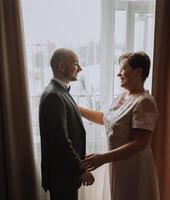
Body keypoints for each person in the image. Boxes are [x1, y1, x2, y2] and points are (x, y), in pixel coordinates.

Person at [80, 51, 160, 200]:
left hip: (134, 166)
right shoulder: (123, 96)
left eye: (123, 69)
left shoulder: (144, 102)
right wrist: (76, 108)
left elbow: (139, 143)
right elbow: (105, 118)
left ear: (138, 72)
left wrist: (102, 158)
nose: (118, 74)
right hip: (118, 164)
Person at [39, 48, 95, 200]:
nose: (81, 68)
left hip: (65, 175)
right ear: (62, 66)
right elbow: (61, 142)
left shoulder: (60, 92)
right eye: (76, 63)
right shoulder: (54, 96)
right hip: (62, 177)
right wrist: (81, 170)